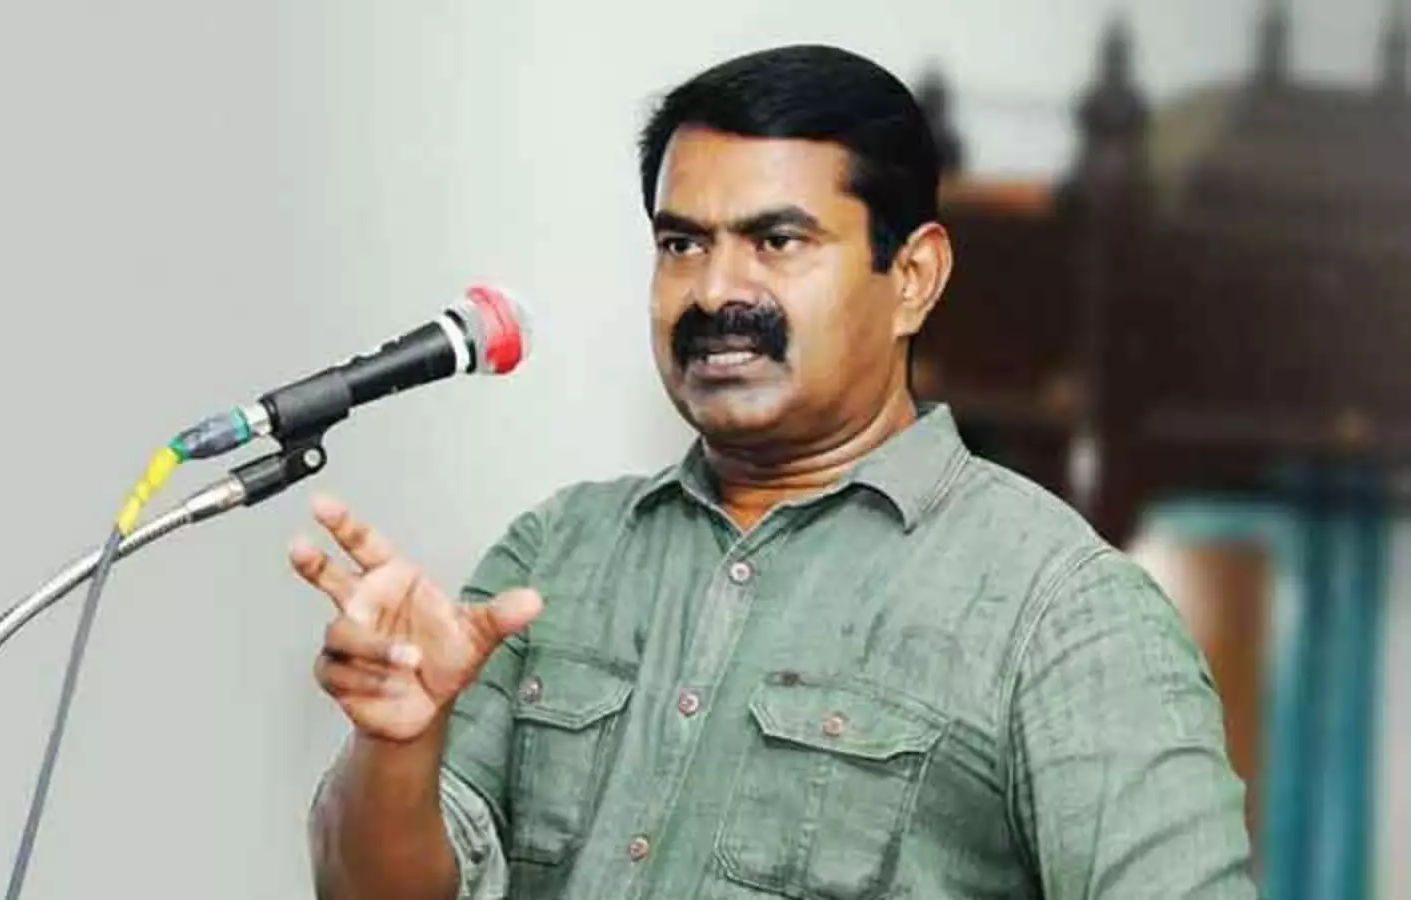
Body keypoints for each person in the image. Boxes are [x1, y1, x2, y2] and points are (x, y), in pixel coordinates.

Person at [294, 44, 1258, 900]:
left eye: (777, 241)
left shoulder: (1063, 611)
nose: (715, 290)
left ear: (913, 277)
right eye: (682, 244)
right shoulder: (556, 553)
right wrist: (396, 742)